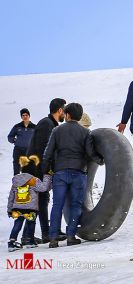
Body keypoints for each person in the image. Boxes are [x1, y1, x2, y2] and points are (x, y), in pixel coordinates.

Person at [42, 103, 103, 248]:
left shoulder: (57, 130)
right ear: (79, 116)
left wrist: (45, 169)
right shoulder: (85, 132)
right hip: (78, 173)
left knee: (57, 205)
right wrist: (100, 160)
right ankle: (71, 236)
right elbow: (90, 153)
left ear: (67, 115)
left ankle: (53, 238)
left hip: (60, 173)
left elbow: (48, 152)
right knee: (76, 205)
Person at [25, 98, 66, 244]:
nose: (65, 114)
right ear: (60, 110)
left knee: (41, 200)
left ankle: (36, 234)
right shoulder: (46, 124)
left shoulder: (50, 124)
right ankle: (44, 233)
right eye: (64, 110)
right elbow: (43, 149)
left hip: (40, 168)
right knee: (41, 200)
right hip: (37, 168)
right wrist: (46, 170)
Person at [7, 156, 52, 251]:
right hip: (31, 208)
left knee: (17, 224)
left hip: (17, 208)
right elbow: (43, 188)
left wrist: (9, 209)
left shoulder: (16, 181)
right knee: (31, 223)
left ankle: (12, 242)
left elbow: (11, 197)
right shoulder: (33, 180)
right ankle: (30, 241)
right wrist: (47, 176)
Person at [8, 108, 36, 175]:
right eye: (23, 115)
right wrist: (15, 141)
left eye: (26, 115)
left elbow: (38, 138)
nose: (25, 117)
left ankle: (28, 183)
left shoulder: (34, 127)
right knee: (16, 165)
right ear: (21, 117)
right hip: (18, 149)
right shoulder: (17, 126)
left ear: (29, 116)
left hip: (29, 150)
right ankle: (16, 182)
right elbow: (10, 136)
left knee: (28, 168)